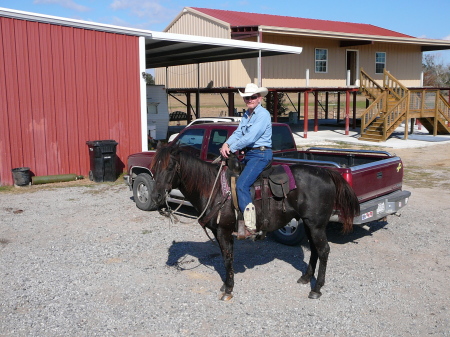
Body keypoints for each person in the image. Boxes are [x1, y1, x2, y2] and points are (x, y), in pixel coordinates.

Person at [219, 83, 272, 236]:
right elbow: (238, 132)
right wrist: (227, 143)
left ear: (259, 98)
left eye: (253, 97)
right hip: (250, 155)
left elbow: (251, 136)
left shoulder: (263, 114)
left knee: (242, 185)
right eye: (247, 98)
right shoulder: (247, 114)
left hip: (261, 155)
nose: (250, 100)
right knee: (230, 179)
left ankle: (250, 227)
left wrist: (233, 147)